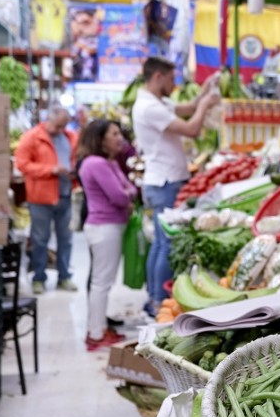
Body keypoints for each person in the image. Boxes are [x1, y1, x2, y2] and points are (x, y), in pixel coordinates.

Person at [132, 57, 219, 316]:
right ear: (158, 77)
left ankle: (153, 298)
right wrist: (205, 105)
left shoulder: (157, 102)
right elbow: (191, 128)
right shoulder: (150, 108)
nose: (174, 84)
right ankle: (159, 301)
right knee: (167, 244)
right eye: (171, 79)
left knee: (160, 243)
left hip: (162, 180)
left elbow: (186, 107)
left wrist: (204, 92)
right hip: (165, 182)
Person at [77, 119, 136, 350]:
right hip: (104, 228)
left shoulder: (108, 163)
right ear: (101, 139)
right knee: (101, 282)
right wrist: (127, 194)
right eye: (114, 134)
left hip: (110, 227)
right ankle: (96, 334)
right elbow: (120, 196)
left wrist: (127, 193)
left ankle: (99, 327)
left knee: (103, 281)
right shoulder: (96, 164)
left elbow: (128, 188)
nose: (120, 138)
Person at [14, 106, 78, 294]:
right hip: (40, 198)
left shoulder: (70, 137)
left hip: (65, 194)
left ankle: (64, 277)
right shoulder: (32, 137)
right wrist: (50, 170)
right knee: (40, 239)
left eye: (63, 126)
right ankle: (39, 277)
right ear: (48, 120)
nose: (60, 130)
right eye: (57, 126)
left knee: (66, 238)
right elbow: (22, 164)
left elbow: (73, 158)